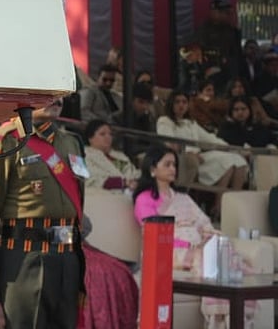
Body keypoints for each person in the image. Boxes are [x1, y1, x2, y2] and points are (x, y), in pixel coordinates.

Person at [0, 97, 85, 329]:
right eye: (46, 89)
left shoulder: (71, 142)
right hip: (24, 263)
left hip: (68, 261)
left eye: (60, 89)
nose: (58, 97)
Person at [133, 145, 254, 327]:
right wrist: (188, 245)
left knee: (225, 254)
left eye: (174, 165)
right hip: (166, 250)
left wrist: (207, 239)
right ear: (152, 169)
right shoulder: (144, 199)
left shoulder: (183, 198)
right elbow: (152, 233)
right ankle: (218, 318)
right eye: (167, 164)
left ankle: (234, 316)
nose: (173, 169)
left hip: (197, 246)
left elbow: (204, 224)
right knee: (207, 258)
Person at [155, 89, 248, 197]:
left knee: (236, 159)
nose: (181, 105)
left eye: (184, 102)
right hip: (181, 157)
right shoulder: (165, 120)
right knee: (195, 159)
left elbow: (209, 139)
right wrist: (189, 152)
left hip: (200, 156)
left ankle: (232, 201)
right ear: (171, 104)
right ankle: (217, 204)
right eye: (177, 102)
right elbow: (169, 142)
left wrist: (233, 148)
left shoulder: (191, 123)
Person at [193, 0, 243, 86]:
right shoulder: (205, 29)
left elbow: (235, 52)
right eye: (223, 12)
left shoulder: (230, 30)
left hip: (228, 70)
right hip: (210, 69)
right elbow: (202, 50)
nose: (225, 15)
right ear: (214, 12)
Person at [82, 119, 139, 190]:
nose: (108, 137)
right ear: (90, 138)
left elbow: (134, 173)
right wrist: (121, 182)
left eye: (110, 134)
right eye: (102, 134)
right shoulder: (83, 155)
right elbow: (89, 180)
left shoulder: (120, 156)